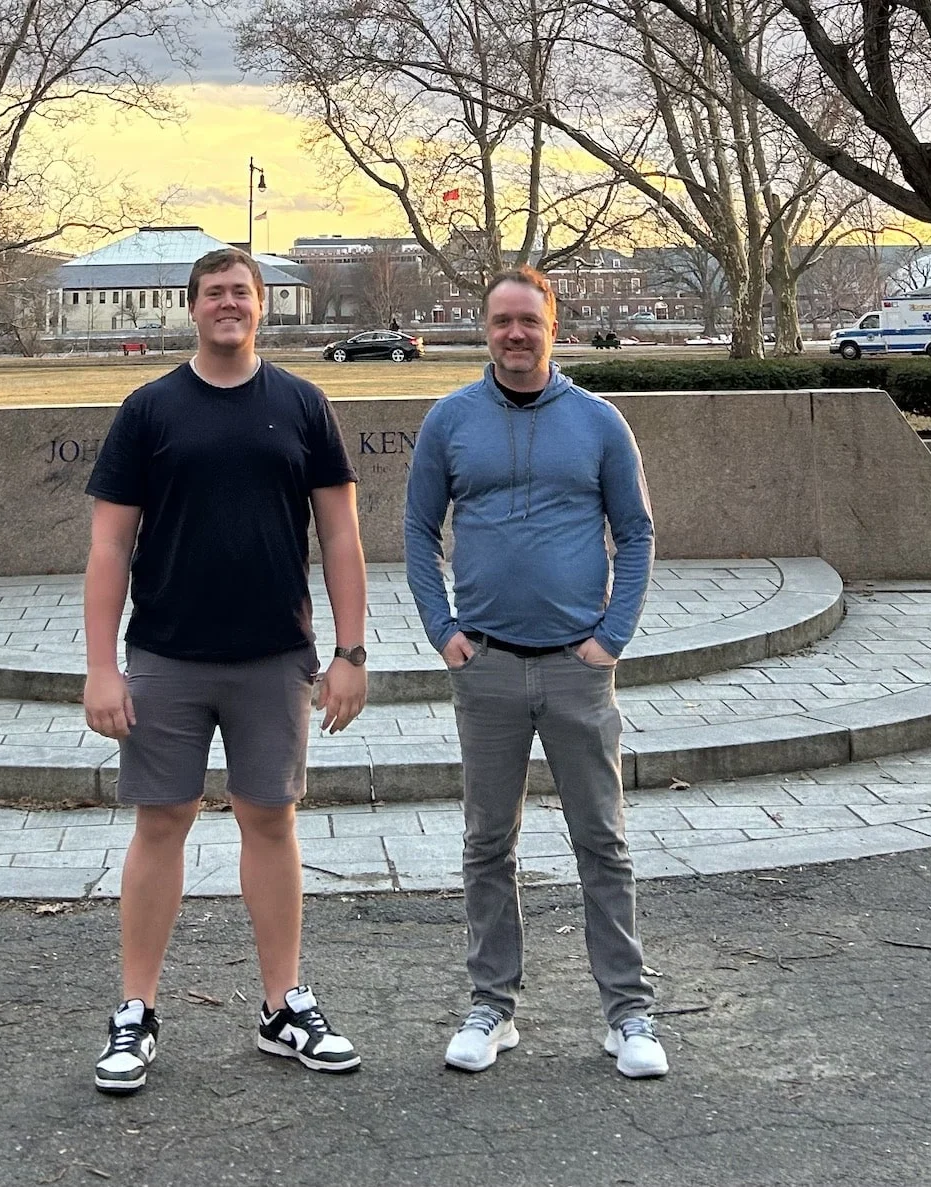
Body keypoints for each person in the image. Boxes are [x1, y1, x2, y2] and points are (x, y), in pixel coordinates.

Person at [82, 246, 371, 1096]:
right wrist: (103, 667)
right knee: (161, 821)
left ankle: (285, 1004)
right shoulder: (149, 410)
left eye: (241, 292)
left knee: (271, 819)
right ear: (192, 307)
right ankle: (135, 1011)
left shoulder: (304, 405)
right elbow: (108, 546)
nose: (229, 305)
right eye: (214, 293)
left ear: (262, 305)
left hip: (275, 655)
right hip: (167, 655)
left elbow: (344, 538)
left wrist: (350, 653)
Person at [404, 266, 667, 1079]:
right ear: (485, 329)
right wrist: (443, 631)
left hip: (575, 670)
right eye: (500, 322)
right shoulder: (451, 420)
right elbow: (417, 531)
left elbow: (637, 531)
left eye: (529, 321)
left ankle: (628, 1014)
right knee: (488, 842)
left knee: (603, 841)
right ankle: (492, 1005)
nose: (514, 334)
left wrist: (611, 638)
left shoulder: (597, 423)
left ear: (554, 325)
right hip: (485, 668)